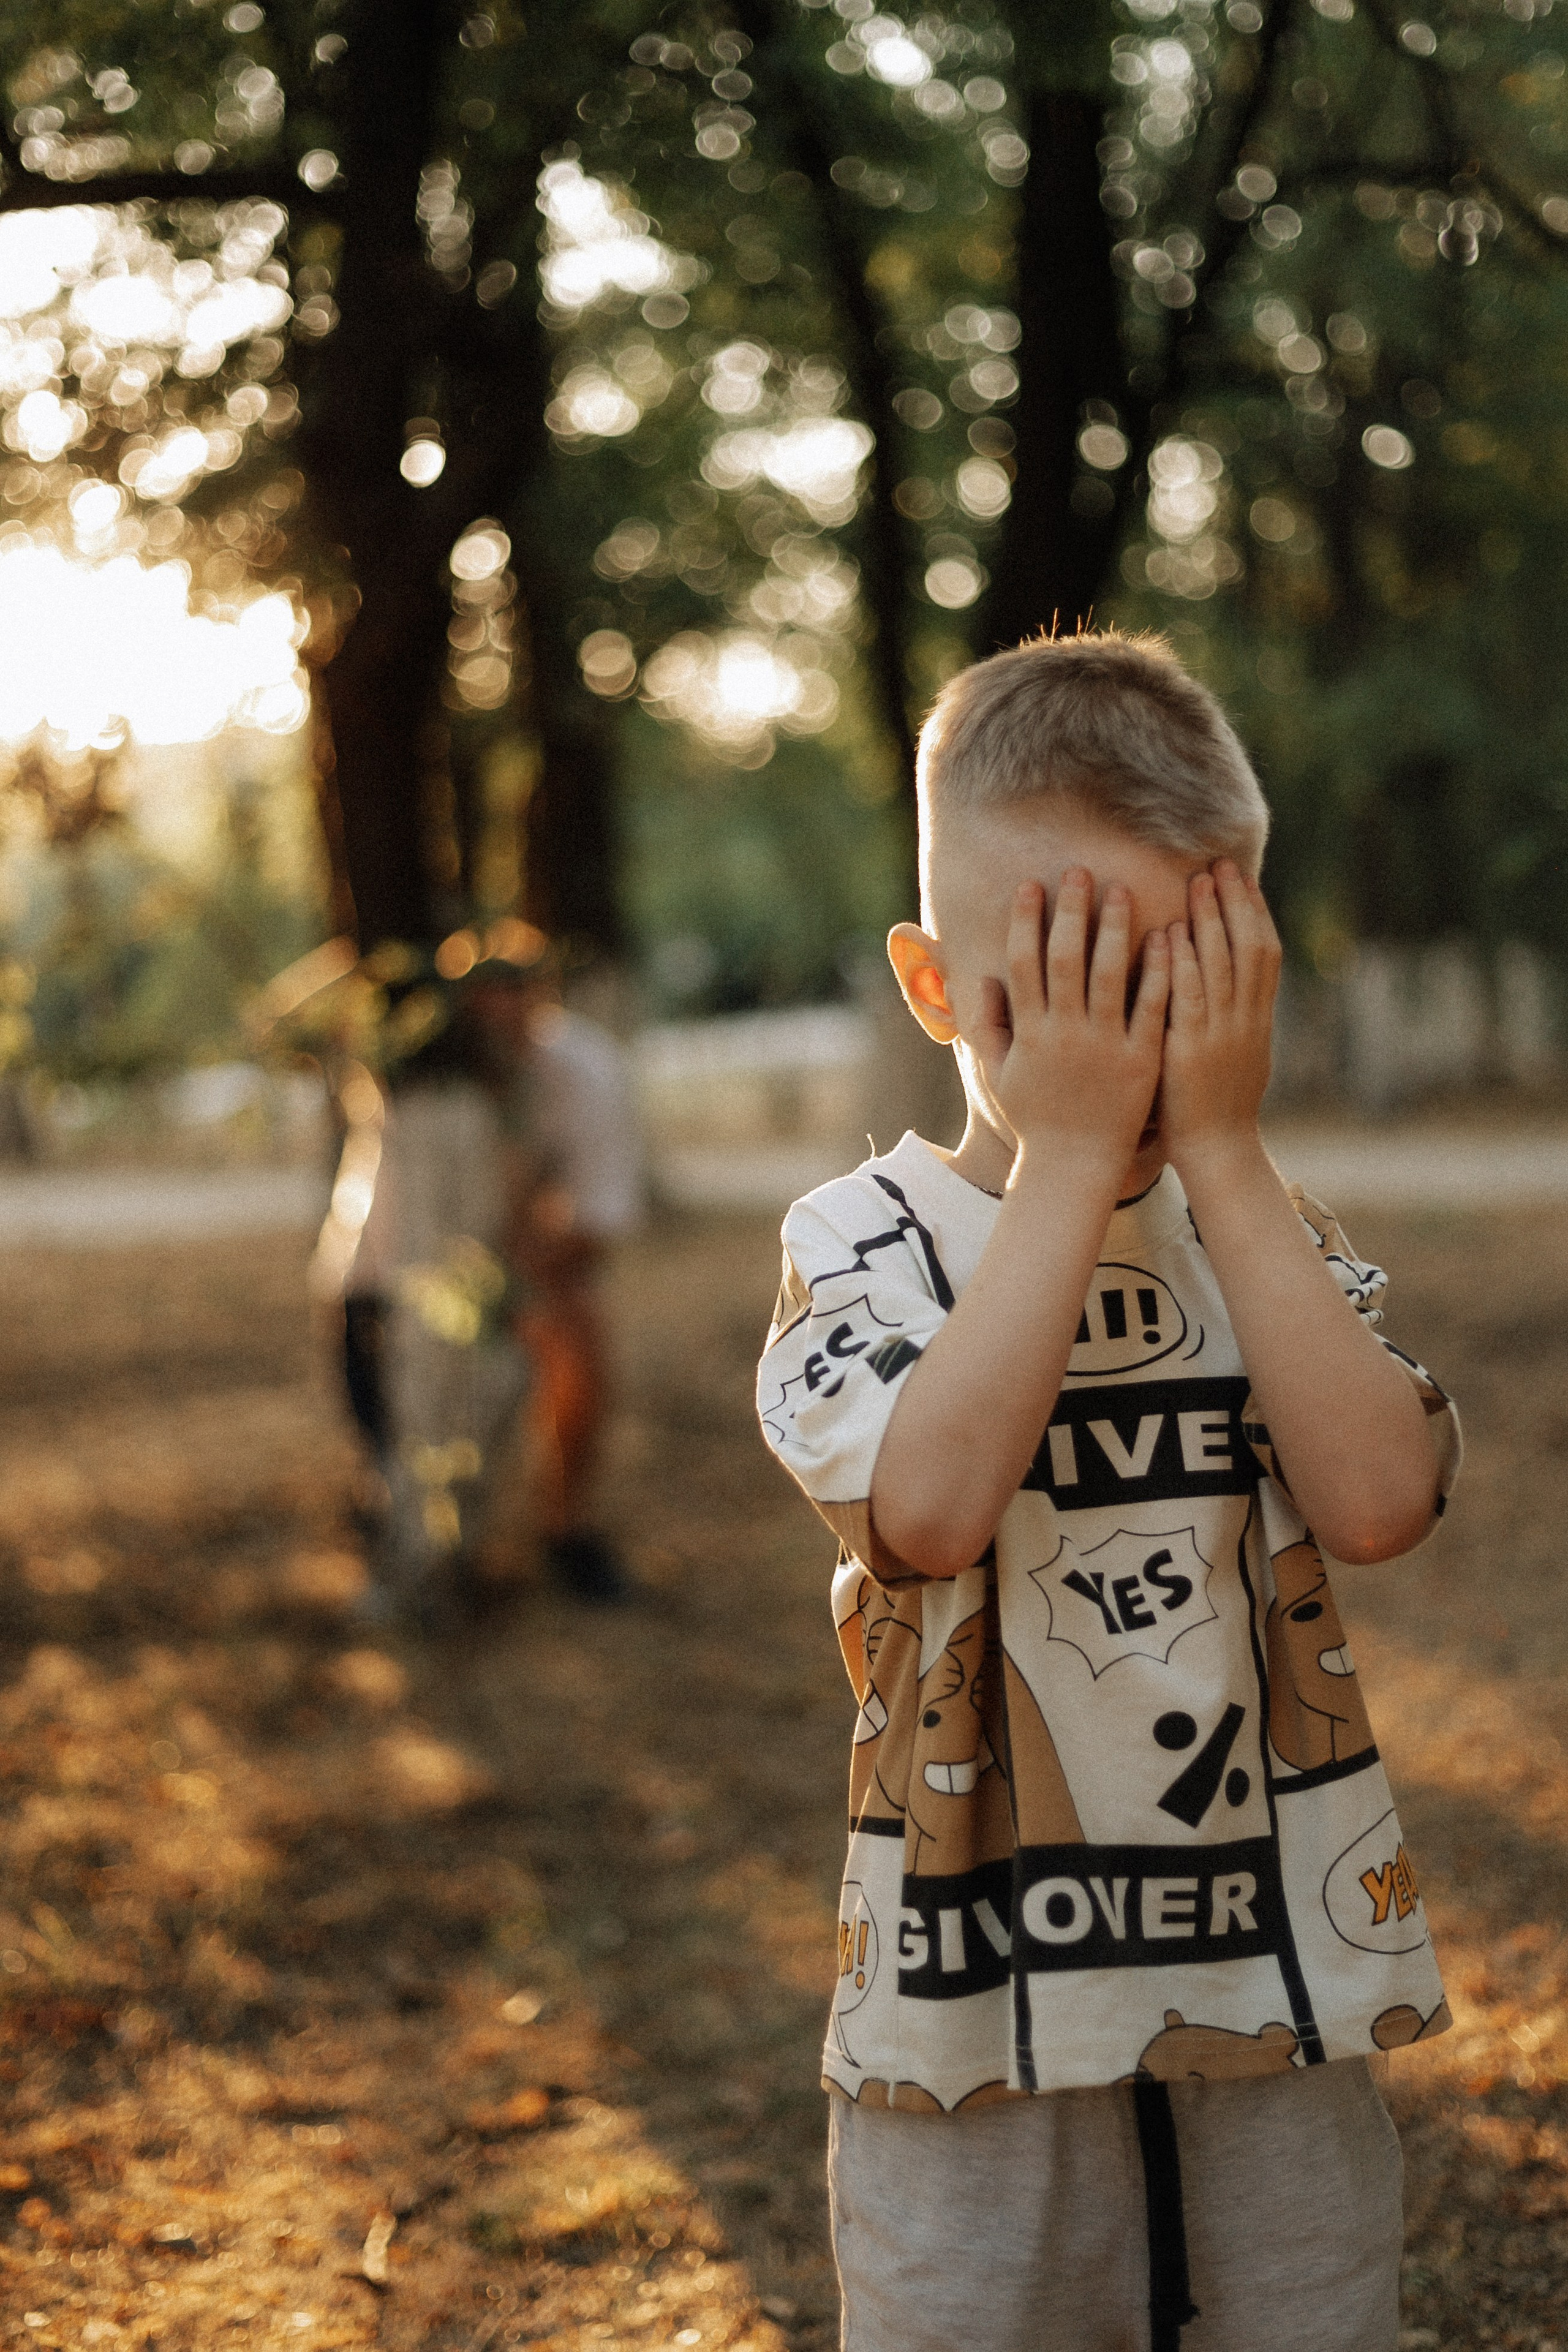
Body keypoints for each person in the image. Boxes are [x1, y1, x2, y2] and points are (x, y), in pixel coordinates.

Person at [755, 630, 1461, 2352]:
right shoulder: (862, 1246)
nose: (1120, 1057)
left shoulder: (1259, 1237)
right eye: (1056, 995)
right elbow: (925, 1511)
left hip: (1267, 1963)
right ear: (934, 990)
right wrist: (1065, 1160)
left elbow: (1379, 1502)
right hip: (970, 1982)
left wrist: (1222, 1152)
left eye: (1169, 991)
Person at [331, 943, 641, 1611]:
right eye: (481, 996)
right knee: (393, 1405)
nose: (500, 1011)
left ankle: (566, 1528)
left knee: (573, 1348)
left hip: (506, 1264)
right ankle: (402, 1529)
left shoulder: (580, 1073)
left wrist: (516, 1278)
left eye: (518, 993)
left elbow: (597, 1214)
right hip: (386, 1267)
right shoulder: (414, 1074)